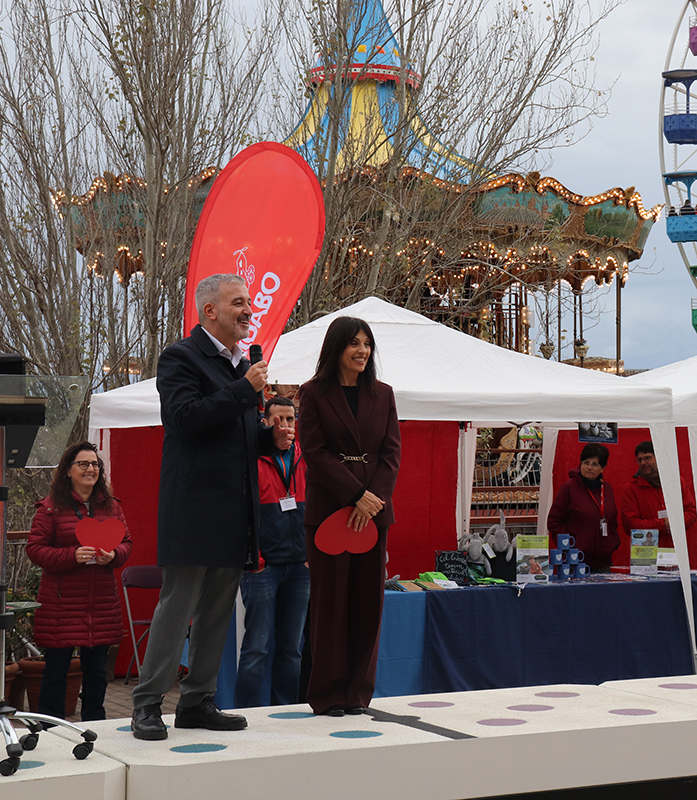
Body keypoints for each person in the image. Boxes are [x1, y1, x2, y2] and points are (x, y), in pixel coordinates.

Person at [130, 273, 293, 740]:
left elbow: (230, 436)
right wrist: (245, 390)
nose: (248, 310)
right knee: (177, 606)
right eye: (239, 303)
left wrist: (268, 437)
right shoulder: (182, 358)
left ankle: (198, 701)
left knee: (219, 609)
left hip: (233, 511)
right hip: (192, 509)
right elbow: (184, 420)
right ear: (210, 311)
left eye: (249, 303)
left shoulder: (237, 364)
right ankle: (147, 704)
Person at [298, 316, 401, 717]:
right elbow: (314, 452)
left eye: (367, 344)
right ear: (336, 348)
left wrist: (372, 500)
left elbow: (391, 454)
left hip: (374, 515)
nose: (362, 351)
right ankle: (327, 695)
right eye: (354, 344)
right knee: (330, 606)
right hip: (330, 513)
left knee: (366, 605)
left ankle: (358, 694)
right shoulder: (313, 393)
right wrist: (355, 494)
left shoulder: (384, 394)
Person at [26, 441, 132, 721]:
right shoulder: (50, 509)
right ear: (68, 471)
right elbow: (35, 549)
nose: (90, 469)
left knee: (97, 672)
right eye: (83, 464)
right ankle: (50, 728)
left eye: (95, 464)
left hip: (101, 604)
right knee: (56, 671)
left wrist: (114, 555)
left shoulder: (111, 507)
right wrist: (72, 555)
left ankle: (96, 726)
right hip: (61, 606)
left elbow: (127, 545)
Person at [234, 396, 309, 708]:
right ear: (264, 422)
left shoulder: (305, 457)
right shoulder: (250, 458)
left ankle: (286, 712)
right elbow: (238, 515)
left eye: (290, 419)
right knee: (257, 648)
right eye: (278, 419)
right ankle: (247, 715)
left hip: (300, 567)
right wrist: (256, 560)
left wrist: (310, 557)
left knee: (292, 649)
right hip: (263, 569)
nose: (285, 426)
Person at [547, 443, 620, 573]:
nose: (589, 467)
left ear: (602, 468)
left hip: (603, 562)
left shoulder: (607, 489)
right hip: (576, 561)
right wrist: (569, 546)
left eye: (595, 464)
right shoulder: (569, 488)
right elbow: (554, 522)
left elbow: (612, 520)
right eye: (586, 463)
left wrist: (612, 543)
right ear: (580, 464)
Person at [621, 440, 697, 549]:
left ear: (658, 458)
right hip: (645, 554)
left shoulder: (676, 482)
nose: (643, 463)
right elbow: (630, 524)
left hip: (675, 550)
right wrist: (662, 525)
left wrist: (675, 523)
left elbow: (691, 511)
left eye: (647, 458)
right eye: (639, 460)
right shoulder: (631, 488)